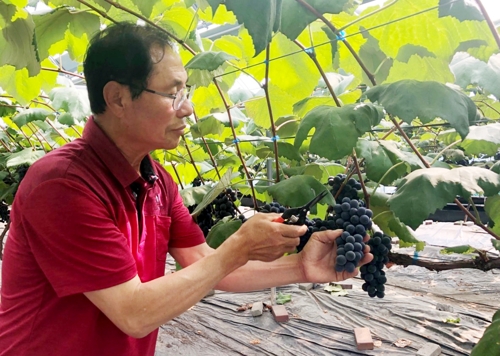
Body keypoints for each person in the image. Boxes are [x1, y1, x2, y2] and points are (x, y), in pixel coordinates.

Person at [0, 22, 372, 356]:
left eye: (186, 91)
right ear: (117, 98)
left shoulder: (157, 180)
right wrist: (239, 246)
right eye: (173, 93)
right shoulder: (63, 185)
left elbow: (208, 267)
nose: (188, 108)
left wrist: (302, 267)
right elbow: (133, 313)